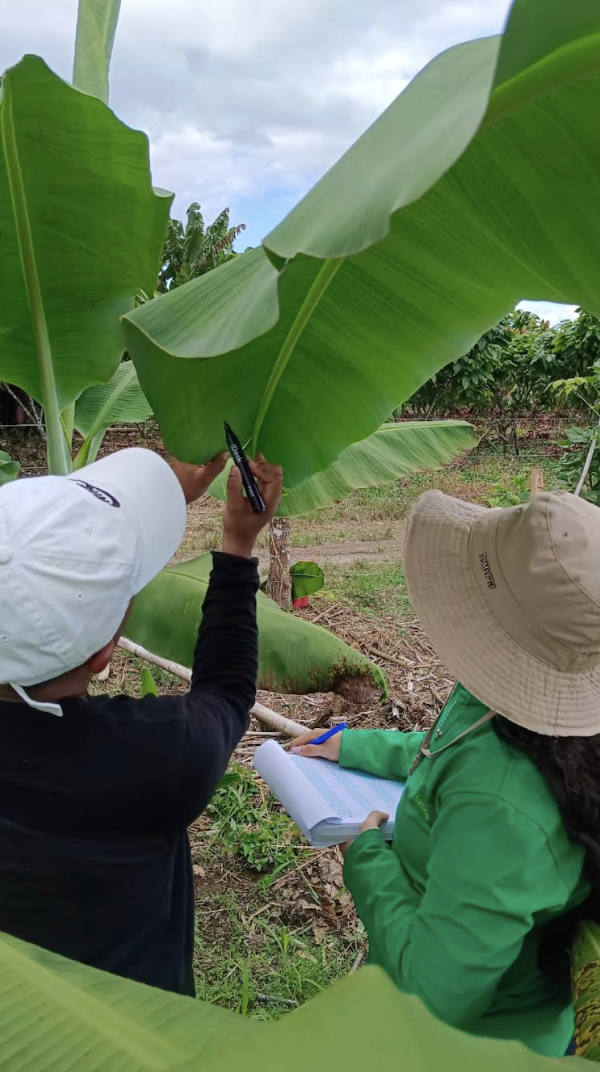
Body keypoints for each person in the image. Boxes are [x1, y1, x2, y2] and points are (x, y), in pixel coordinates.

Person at [292, 489, 600, 1057]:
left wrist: (366, 858)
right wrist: (355, 746)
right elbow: (450, 748)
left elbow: (432, 996)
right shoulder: (524, 716)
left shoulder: (503, 809)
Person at [0, 446, 282, 995]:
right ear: (106, 651)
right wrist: (238, 542)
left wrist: (165, 497)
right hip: (134, 1036)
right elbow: (225, 691)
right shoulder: (157, 757)